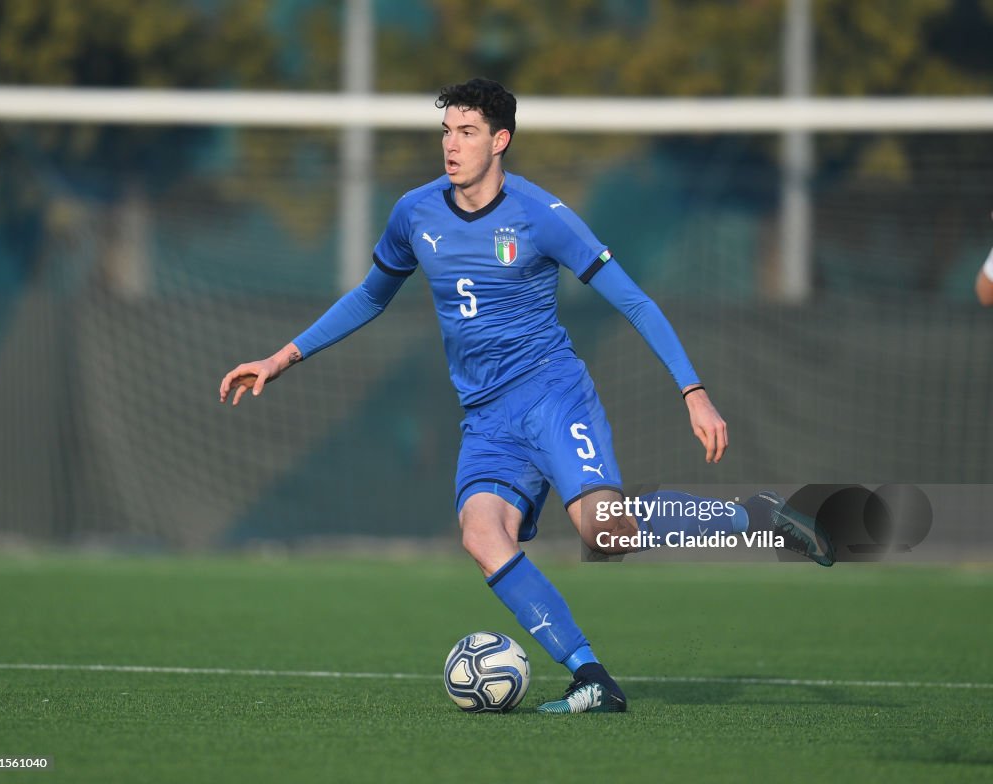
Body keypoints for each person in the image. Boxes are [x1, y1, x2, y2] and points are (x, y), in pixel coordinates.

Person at [220, 78, 833, 715]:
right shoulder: (415, 212)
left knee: (606, 533)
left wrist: (693, 390)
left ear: (500, 140)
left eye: (466, 132)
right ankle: (591, 678)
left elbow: (635, 300)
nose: (451, 146)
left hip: (551, 395)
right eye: (446, 132)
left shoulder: (542, 216)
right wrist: (282, 357)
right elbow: (372, 295)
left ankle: (754, 516)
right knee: (482, 535)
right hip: (486, 419)